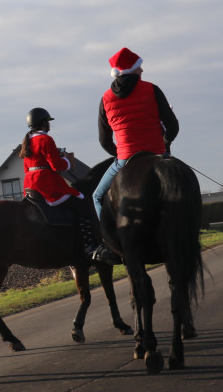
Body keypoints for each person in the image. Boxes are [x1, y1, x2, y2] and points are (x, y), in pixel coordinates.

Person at [92, 47, 179, 222]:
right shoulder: (152, 89)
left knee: (98, 197)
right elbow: (172, 126)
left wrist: (120, 154)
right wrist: (165, 144)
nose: (142, 69)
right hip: (157, 152)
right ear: (132, 68)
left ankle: (108, 242)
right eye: (139, 66)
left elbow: (104, 140)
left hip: (125, 157)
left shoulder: (105, 99)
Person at [19, 107, 110, 263]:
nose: (49, 125)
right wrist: (66, 161)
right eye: (48, 122)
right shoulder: (45, 139)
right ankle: (90, 246)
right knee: (82, 204)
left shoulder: (27, 142)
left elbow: (26, 168)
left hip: (30, 184)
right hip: (46, 182)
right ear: (43, 123)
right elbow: (56, 165)